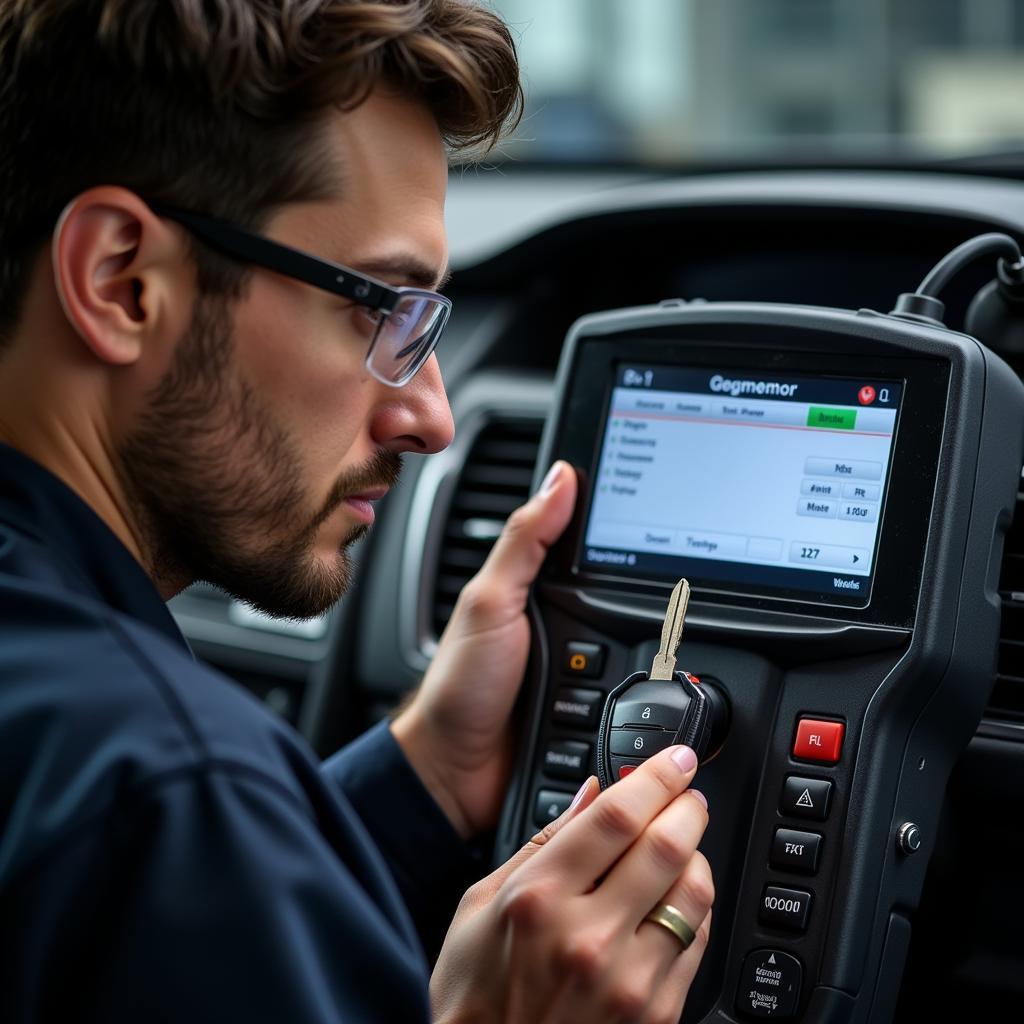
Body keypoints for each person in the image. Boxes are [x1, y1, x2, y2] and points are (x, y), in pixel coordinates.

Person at [0, 1, 714, 1021]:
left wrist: (425, 767)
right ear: (122, 281)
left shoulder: (129, 785)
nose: (430, 419)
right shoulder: (170, 787)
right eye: (380, 308)